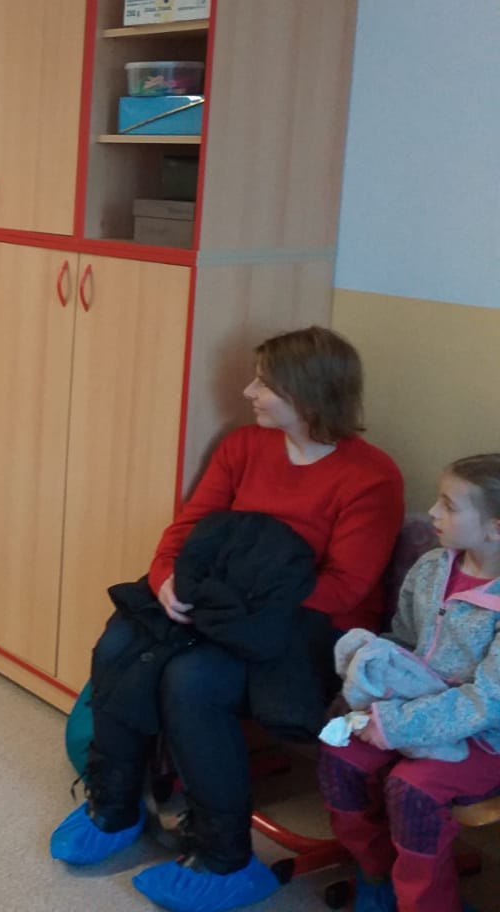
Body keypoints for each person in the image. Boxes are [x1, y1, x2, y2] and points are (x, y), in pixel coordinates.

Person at [50, 326, 404, 912]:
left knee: (193, 680)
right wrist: (165, 578)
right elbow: (189, 526)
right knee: (121, 641)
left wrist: (229, 610)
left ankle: (225, 858)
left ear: (308, 394)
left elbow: (345, 587)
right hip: (221, 598)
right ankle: (113, 805)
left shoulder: (372, 477)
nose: (248, 392)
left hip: (309, 625)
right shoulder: (244, 446)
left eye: (265, 384)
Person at [318, 454, 500, 912]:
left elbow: (486, 703)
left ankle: (427, 904)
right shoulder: (432, 568)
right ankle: (376, 872)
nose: (432, 513)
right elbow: (400, 641)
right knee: (340, 755)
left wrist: (394, 725)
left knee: (413, 791)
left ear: (495, 528)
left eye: (449, 506)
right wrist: (364, 690)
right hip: (410, 708)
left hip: (484, 737)